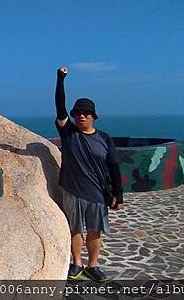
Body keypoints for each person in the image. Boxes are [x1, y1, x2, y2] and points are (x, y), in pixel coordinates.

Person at [54, 66, 124, 282]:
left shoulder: (104, 138)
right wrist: (60, 79)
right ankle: (78, 263)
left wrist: (118, 195)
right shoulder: (68, 133)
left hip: (96, 193)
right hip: (72, 190)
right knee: (75, 229)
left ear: (93, 116)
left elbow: (113, 165)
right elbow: (59, 105)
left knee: (95, 231)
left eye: (86, 113)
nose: (81, 116)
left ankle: (93, 265)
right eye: (77, 113)